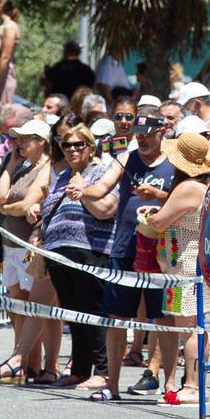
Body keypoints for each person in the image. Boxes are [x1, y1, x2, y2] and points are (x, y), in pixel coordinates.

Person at [71, 111, 174, 399]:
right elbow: (103, 187)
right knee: (117, 318)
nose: (141, 139)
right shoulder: (127, 159)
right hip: (125, 247)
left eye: (147, 135)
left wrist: (157, 194)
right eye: (137, 135)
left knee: (163, 319)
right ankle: (112, 385)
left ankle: (170, 385)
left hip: (160, 251)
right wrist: (83, 190)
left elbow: (186, 195)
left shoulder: (174, 163)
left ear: (161, 132)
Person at [40, 124, 120, 391]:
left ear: (90, 146)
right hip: (58, 252)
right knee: (74, 312)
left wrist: (84, 189)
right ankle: (80, 369)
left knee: (94, 310)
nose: (72, 149)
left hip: (91, 249)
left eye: (78, 145)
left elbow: (106, 210)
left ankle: (103, 371)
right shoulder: (62, 176)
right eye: (67, 145)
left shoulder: (102, 172)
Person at [139, 132, 210, 406]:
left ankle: (192, 386)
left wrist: (149, 215)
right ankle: (191, 383)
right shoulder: (200, 186)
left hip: (185, 266)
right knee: (190, 327)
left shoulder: (188, 187)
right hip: (188, 265)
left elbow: (159, 223)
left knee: (190, 328)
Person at [0, 120, 52, 384]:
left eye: (25, 139)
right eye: (17, 139)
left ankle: (29, 361)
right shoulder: (19, 166)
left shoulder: (46, 168)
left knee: (33, 306)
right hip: (9, 244)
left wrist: (6, 208)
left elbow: (27, 205)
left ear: (41, 141)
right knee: (16, 306)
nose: (18, 143)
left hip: (27, 246)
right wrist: (10, 163)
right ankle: (21, 360)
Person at [177, 81, 210, 158]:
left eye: (186, 107)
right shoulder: (197, 125)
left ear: (197, 104)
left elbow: (206, 161)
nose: (184, 111)